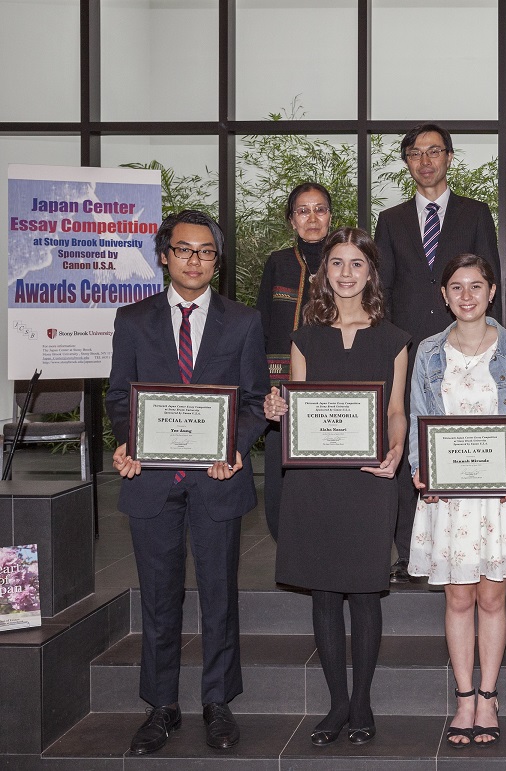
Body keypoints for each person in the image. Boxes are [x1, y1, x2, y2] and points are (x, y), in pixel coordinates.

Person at [106, 210, 268, 754]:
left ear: (216, 261)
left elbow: (253, 401)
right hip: (152, 482)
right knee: (158, 599)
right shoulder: (133, 320)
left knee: (219, 597)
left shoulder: (242, 321)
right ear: (164, 255)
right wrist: (130, 440)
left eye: (205, 252)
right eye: (184, 249)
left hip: (217, 482)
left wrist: (234, 449)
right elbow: (118, 396)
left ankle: (217, 702)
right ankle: (161, 706)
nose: (194, 260)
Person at [263, 227, 409, 746]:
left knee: (366, 593)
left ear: (371, 273)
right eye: (337, 263)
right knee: (324, 593)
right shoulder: (304, 337)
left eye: (357, 264)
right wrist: (278, 408)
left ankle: (362, 701)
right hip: (316, 479)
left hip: (370, 479)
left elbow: (395, 410)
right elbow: (298, 404)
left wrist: (397, 448)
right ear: (324, 272)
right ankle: (336, 704)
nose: (346, 273)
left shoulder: (394, 339)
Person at [407, 253, 506, 747]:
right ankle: (464, 697)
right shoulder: (427, 352)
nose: (467, 296)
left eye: (476, 286)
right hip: (449, 497)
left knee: (491, 597)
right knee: (458, 597)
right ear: (444, 295)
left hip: (499, 495)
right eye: (456, 287)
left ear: (491, 292)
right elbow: (417, 418)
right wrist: (420, 468)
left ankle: (489, 696)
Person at [375, 123, 501, 584]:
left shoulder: (476, 213)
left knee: (465, 443)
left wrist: (495, 346)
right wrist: (387, 351)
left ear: (449, 157)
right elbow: (382, 292)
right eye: (415, 153)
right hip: (408, 353)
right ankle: (412, 552)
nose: (425, 161)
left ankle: (471, 545)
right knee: (409, 442)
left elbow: (490, 281)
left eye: (434, 151)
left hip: (466, 348)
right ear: (407, 162)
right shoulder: (390, 220)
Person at [256, 181, 333, 540]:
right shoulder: (279, 263)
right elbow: (262, 325)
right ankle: (286, 543)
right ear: (291, 220)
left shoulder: (346, 261)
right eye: (303, 211)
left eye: (320, 209)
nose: (312, 218)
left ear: (330, 216)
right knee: (281, 475)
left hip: (336, 390)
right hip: (282, 390)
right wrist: (264, 387)